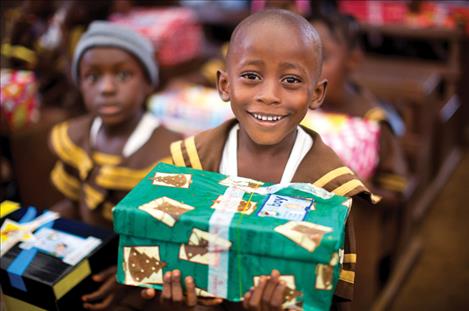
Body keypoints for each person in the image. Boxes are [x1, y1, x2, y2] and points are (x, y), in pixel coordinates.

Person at [140, 9, 378, 311]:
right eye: (251, 76)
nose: (269, 95)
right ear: (225, 85)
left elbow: (334, 298)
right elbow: (163, 257)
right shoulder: (190, 162)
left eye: (291, 80)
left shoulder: (331, 189)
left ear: (316, 94)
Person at [48, 21, 182, 310]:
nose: (107, 88)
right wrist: (41, 230)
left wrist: (130, 274)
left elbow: (170, 236)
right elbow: (72, 202)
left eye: (123, 75)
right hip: (88, 256)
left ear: (148, 82)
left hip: (146, 270)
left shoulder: (166, 154)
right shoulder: (77, 137)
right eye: (92, 77)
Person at [309, 12, 409, 298]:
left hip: (356, 230)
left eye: (323, 58)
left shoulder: (372, 123)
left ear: (353, 60)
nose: (310, 72)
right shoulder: (296, 109)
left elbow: (396, 192)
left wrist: (359, 188)